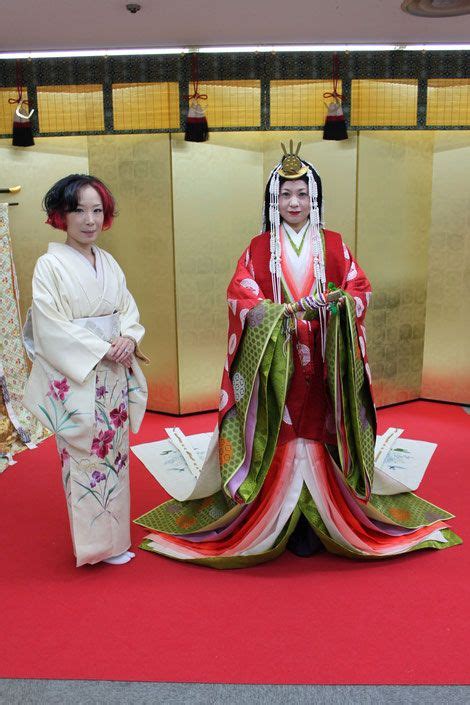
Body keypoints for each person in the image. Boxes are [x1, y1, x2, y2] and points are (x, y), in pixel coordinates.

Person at [135, 143, 461, 568]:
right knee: (281, 432)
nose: (295, 202)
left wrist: (337, 304)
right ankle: (278, 512)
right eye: (286, 194)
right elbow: (241, 297)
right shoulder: (256, 249)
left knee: (318, 431)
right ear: (274, 200)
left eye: (303, 194)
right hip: (277, 361)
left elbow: (360, 290)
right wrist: (276, 313)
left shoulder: (335, 245)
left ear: (315, 199)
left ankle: (319, 516)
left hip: (326, 357)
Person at [23, 174, 148, 567]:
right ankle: (94, 546)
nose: (89, 220)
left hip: (113, 373)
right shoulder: (50, 266)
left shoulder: (108, 262)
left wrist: (128, 337)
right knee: (85, 457)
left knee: (116, 455)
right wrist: (103, 347)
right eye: (79, 210)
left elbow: (126, 310)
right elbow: (49, 325)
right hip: (82, 375)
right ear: (61, 215)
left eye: (97, 210)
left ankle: (115, 539)